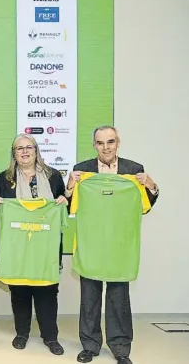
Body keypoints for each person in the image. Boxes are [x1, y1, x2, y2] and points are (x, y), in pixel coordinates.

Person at [67, 126, 158, 364]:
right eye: (100, 143)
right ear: (94, 145)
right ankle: (90, 345)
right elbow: (69, 207)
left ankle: (120, 349)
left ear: (118, 142)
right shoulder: (82, 171)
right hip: (91, 243)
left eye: (110, 142)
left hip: (119, 245)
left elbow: (145, 205)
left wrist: (150, 185)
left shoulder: (133, 170)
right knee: (89, 297)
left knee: (119, 299)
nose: (105, 147)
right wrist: (69, 187)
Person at [0, 134, 67, 355]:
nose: (24, 151)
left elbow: (64, 203)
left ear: (36, 150)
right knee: (20, 289)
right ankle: (21, 333)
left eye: (28, 147)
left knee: (47, 290)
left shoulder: (52, 177)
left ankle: (50, 337)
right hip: (16, 246)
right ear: (13, 154)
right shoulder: (3, 179)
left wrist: (63, 200)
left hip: (45, 247)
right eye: (19, 148)